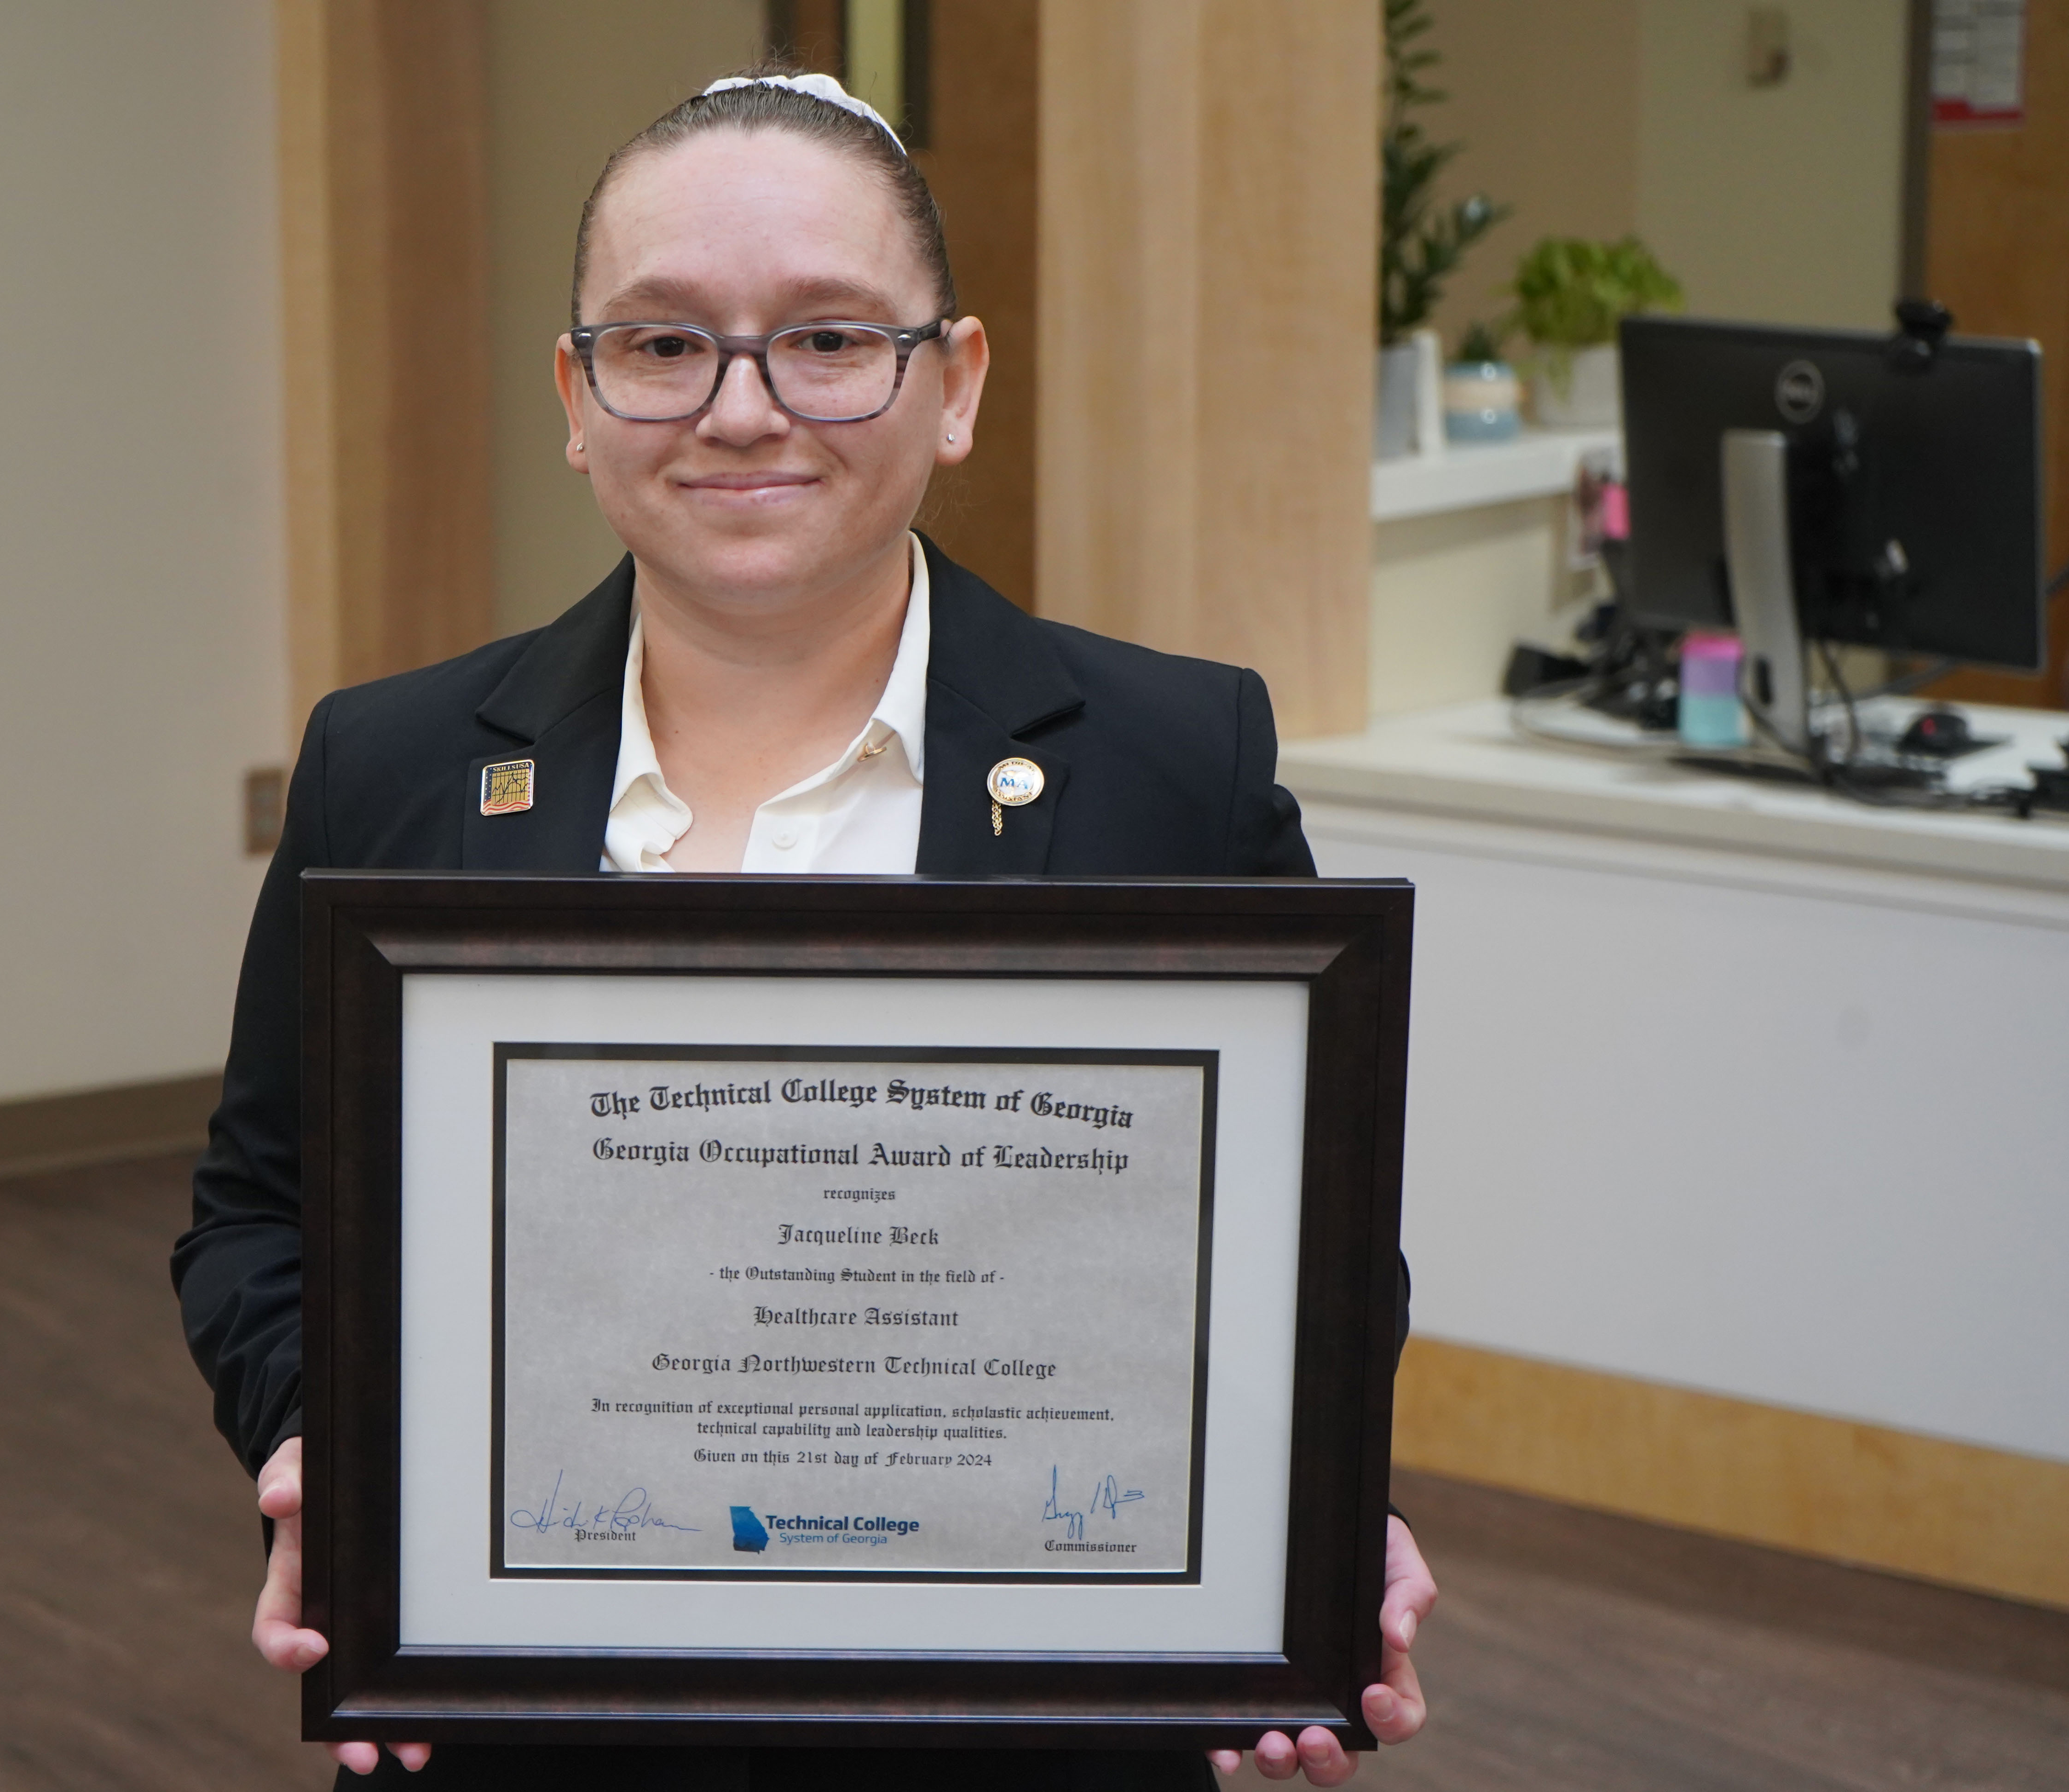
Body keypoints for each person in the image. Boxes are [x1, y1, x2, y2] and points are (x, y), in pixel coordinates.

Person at [175, 68, 1434, 1791]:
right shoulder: (386, 767)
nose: (743, 409)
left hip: (1026, 1729)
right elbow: (256, 1214)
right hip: (529, 1711)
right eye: (664, 342)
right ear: (576, 391)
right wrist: (331, 1450)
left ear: (957, 382)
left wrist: (1311, 1522)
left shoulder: (1175, 767)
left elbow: (1303, 1245)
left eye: (831, 340)